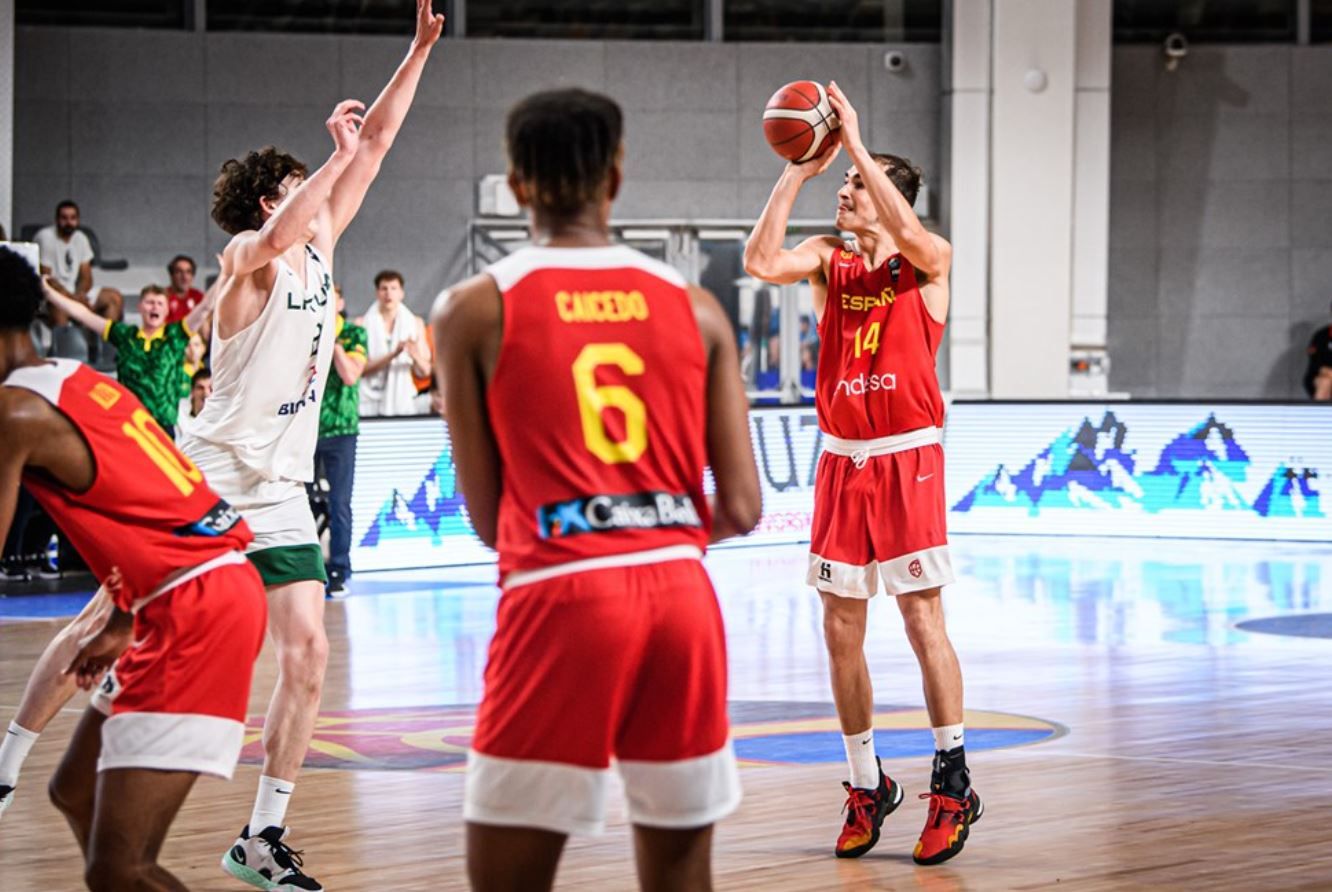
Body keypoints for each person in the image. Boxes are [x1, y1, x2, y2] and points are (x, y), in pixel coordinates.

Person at [435, 87, 762, 892]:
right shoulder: (697, 308)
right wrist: (649, 524)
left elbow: (487, 521)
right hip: (682, 601)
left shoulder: (471, 310)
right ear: (617, 176)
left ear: (515, 184)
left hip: (560, 597)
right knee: (681, 874)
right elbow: (745, 509)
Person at [185, 4, 443, 888]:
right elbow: (310, 198)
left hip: (280, 485)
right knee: (122, 634)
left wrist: (414, 55)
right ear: (272, 197)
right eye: (306, 183)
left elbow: (372, 148)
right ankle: (15, 747)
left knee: (308, 654)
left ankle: (261, 834)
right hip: (212, 475)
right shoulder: (244, 256)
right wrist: (329, 155)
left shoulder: (323, 248)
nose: (328, 190)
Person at [743, 81, 981, 866]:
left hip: (908, 458)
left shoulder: (929, 262)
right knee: (839, 628)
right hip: (841, 464)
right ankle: (864, 783)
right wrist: (798, 171)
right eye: (845, 181)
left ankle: (952, 783)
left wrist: (854, 144)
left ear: (887, 198)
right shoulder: (828, 263)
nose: (844, 190)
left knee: (921, 621)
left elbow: (911, 231)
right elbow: (759, 258)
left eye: (854, 183)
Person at [0, 245, 267, 889]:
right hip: (186, 590)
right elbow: (152, 498)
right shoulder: (75, 378)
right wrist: (120, 617)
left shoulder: (14, 413)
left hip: (197, 607)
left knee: (119, 868)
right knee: (72, 792)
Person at [44, 282, 213, 434]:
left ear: (167, 310)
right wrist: (49, 293)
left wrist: (226, 275)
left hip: (164, 426)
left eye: (160, 303)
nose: (154, 307)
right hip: (130, 423)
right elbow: (83, 315)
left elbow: (205, 308)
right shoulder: (125, 335)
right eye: (149, 302)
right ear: (140, 307)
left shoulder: (175, 335)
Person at [314, 286, 367, 595]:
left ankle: (339, 569)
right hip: (306, 430)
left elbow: (350, 376)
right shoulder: (304, 332)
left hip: (342, 431)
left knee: (339, 503)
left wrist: (331, 344)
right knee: (303, 502)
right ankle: (308, 569)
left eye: (332, 296)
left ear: (341, 302)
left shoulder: (354, 336)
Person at [34, 200, 123, 326]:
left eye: (73, 218)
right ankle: (66, 345)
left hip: (75, 293)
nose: (69, 222)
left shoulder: (81, 238)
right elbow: (47, 281)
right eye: (64, 218)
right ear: (57, 219)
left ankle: (107, 344)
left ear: (78, 220)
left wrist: (80, 294)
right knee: (58, 306)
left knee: (114, 297)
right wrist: (74, 300)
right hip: (53, 295)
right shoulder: (45, 238)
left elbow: (86, 276)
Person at [358, 269, 431, 416]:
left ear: (401, 293)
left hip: (401, 400)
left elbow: (425, 371)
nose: (388, 294)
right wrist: (393, 354)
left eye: (393, 288)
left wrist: (414, 355)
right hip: (368, 401)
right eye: (384, 288)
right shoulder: (361, 324)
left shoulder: (415, 323)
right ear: (377, 292)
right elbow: (360, 369)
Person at [165, 254, 206, 324]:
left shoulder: (198, 297)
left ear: (192, 276)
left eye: (188, 272)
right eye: (179, 272)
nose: (184, 277)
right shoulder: (163, 296)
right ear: (171, 275)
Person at [1302, 303, 1332, 400]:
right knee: (1326, 382)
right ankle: (1319, 413)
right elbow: (1316, 363)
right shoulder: (1321, 335)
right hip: (1321, 376)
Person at [177, 367, 213, 439]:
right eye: (200, 388)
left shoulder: (222, 419)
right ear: (192, 391)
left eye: (210, 389)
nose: (206, 393)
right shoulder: (178, 415)